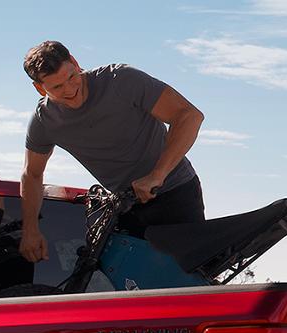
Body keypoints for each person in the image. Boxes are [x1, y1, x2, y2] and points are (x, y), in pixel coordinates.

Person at [17, 41, 206, 265]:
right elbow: (32, 175)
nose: (69, 90)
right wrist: (30, 230)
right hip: (126, 207)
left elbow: (188, 116)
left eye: (71, 76)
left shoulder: (121, 80)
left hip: (176, 192)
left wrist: (157, 174)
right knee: (127, 284)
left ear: (75, 62)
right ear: (40, 88)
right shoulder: (45, 121)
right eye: (57, 88)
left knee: (188, 279)